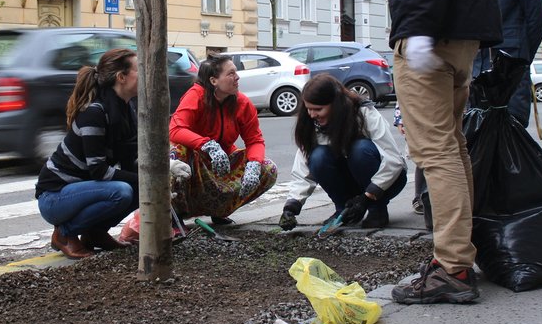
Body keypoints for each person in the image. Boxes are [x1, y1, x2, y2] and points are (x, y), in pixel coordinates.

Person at [361, 0, 502, 304]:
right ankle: (459, 253)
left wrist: (416, 30)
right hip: (461, 36)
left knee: (435, 152)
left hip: (432, 36)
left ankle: (453, 267)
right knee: (454, 148)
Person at [35, 48, 140, 259]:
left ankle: (95, 233)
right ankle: (64, 234)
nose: (146, 75)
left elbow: (130, 161)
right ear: (121, 77)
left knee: (142, 189)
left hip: (81, 190)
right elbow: (98, 170)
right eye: (140, 70)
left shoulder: (126, 109)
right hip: (55, 197)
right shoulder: (95, 112)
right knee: (121, 191)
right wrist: (146, 178)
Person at [278, 74, 407, 231]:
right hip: (352, 184)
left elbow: (394, 159)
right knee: (318, 157)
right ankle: (344, 209)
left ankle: (377, 209)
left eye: (318, 109)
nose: (312, 115)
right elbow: (303, 168)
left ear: (336, 104)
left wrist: (367, 198)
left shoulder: (364, 112)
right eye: (308, 109)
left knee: (359, 149)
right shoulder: (312, 122)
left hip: (384, 183)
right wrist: (291, 206)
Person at [169, 54, 277, 224]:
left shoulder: (242, 102)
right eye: (231, 73)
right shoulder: (196, 95)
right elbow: (175, 130)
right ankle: (174, 216)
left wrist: (254, 165)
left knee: (268, 168)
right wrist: (207, 145)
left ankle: (221, 210)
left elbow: (255, 140)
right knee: (177, 152)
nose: (237, 77)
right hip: (197, 163)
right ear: (213, 81)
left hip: (223, 164)